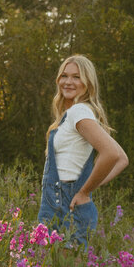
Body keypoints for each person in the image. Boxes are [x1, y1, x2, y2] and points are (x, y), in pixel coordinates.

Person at [37, 54, 128, 246]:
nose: (68, 82)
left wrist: (85, 190)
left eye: (76, 77)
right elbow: (122, 159)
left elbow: (113, 155)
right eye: (65, 75)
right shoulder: (72, 114)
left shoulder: (79, 112)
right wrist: (87, 188)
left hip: (68, 204)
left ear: (87, 83)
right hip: (59, 202)